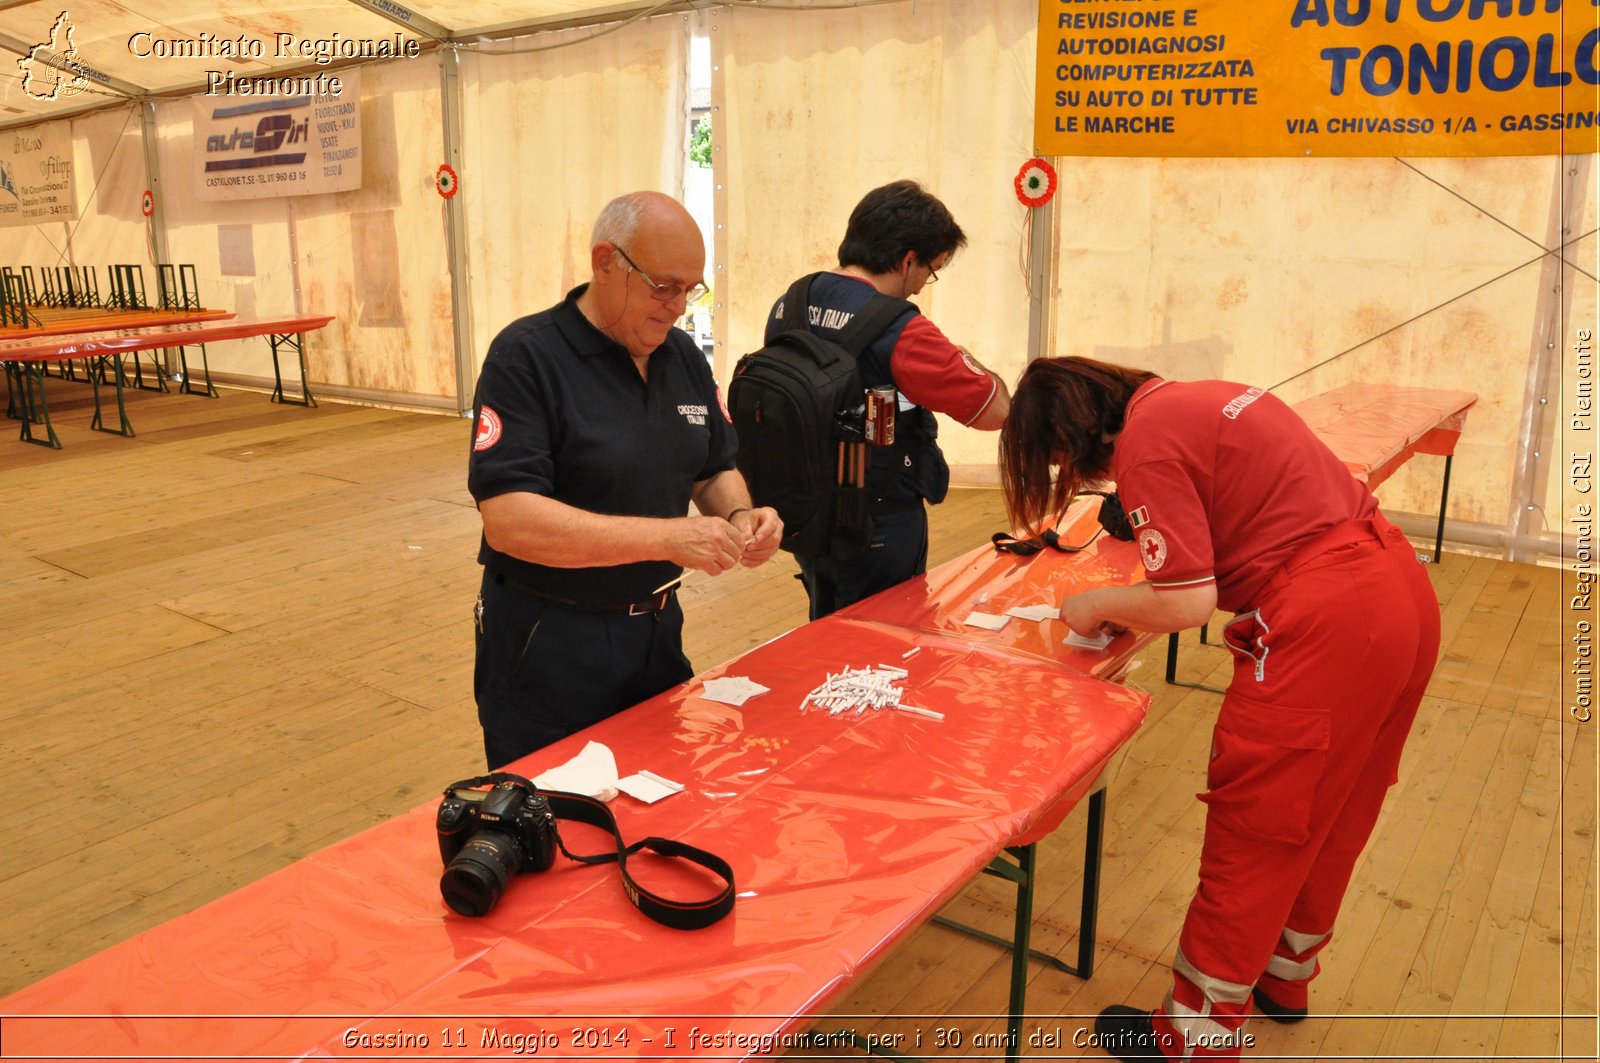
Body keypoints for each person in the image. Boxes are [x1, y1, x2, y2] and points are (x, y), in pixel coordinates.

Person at [998, 358, 1440, 1062]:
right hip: (1396, 588)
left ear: (1071, 435)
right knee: (1339, 805)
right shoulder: (1196, 397)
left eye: (1059, 462)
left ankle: (1195, 1036)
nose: (1080, 480)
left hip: (1327, 618)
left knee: (1260, 823)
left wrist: (1099, 603)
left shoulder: (1145, 441)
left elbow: (1188, 599)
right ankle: (1284, 978)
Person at [467, 191, 782, 769]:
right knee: (554, 814)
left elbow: (713, 465)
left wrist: (740, 516)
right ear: (605, 262)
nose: (679, 306)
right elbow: (510, 520)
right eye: (664, 286)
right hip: (549, 641)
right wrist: (665, 539)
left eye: (691, 288)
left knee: (662, 793)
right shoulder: (526, 357)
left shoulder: (681, 355)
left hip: (656, 633)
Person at [765, 179, 1010, 620]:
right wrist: (962, 354)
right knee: (884, 649)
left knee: (824, 632)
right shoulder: (901, 329)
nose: (920, 287)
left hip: (803, 514)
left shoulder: (789, 303)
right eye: (928, 271)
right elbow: (995, 410)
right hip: (877, 522)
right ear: (907, 259)